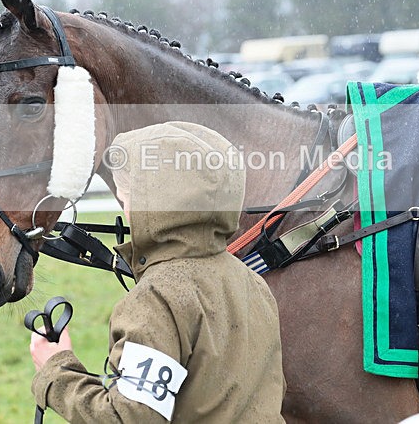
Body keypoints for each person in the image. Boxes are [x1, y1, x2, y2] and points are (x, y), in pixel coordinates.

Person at [29, 121, 286, 423]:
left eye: (125, 199)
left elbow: (129, 419)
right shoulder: (253, 282)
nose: (124, 209)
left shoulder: (158, 298)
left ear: (153, 204)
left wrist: (56, 370)